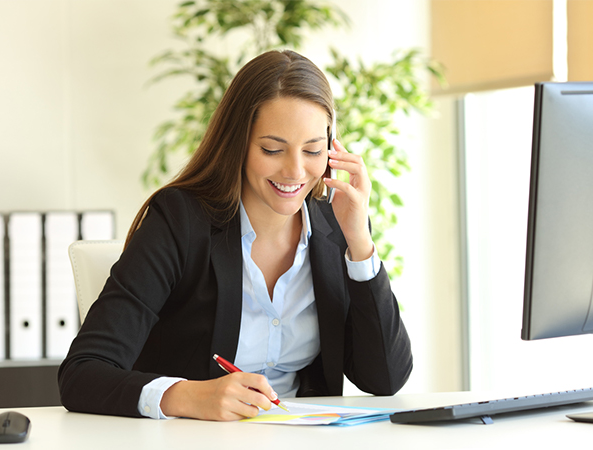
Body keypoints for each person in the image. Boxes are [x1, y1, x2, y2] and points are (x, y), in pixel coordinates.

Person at [58, 49, 412, 421]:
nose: (295, 170)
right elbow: (82, 373)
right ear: (237, 143)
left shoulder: (338, 227)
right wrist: (185, 396)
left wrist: (360, 243)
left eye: (312, 150)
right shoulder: (180, 220)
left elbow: (385, 378)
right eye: (272, 149)